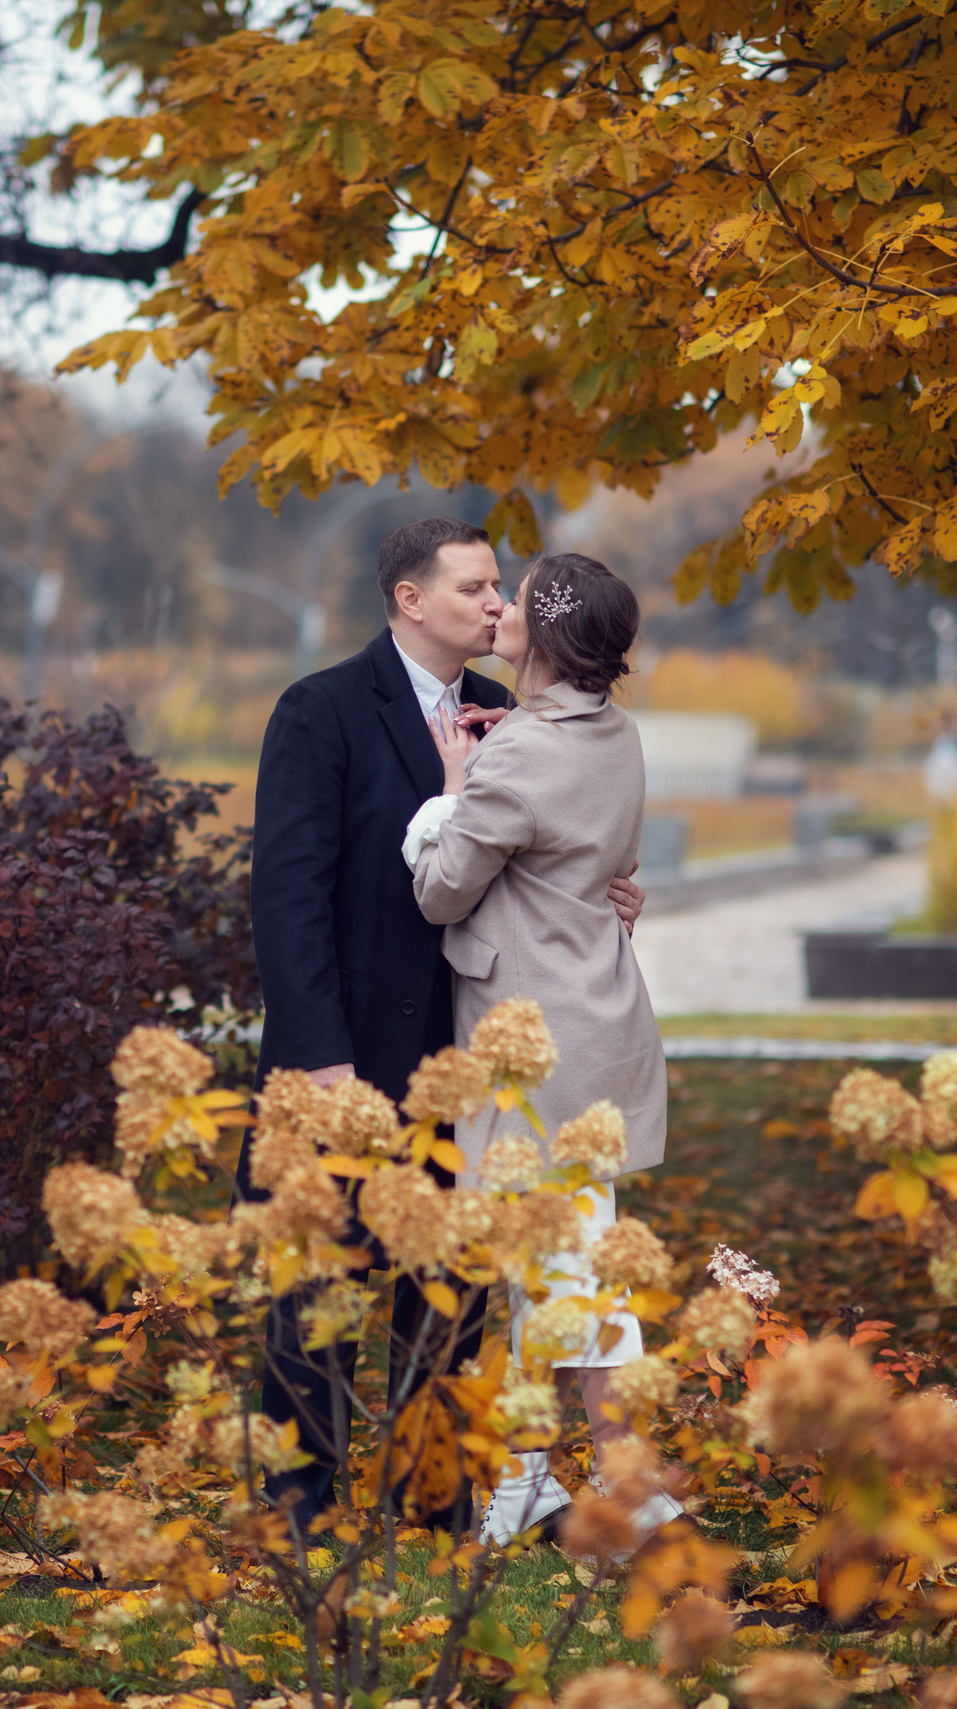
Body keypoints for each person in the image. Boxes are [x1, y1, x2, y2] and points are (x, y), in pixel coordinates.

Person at [248, 518, 644, 1532]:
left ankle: (431, 1494)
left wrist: (602, 895)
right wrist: (316, 1054)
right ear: (409, 599)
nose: (496, 603)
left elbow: (534, 864)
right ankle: (299, 1498)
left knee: (447, 1290)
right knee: (321, 1283)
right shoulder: (322, 709)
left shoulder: (505, 712)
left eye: (500, 586)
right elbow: (287, 898)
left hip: (464, 1057)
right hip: (347, 1049)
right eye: (473, 587)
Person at [403, 550, 676, 1549]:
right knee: (543, 1264)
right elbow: (606, 864)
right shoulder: (617, 735)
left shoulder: (514, 754)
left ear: (546, 634)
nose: (496, 608)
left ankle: (625, 1484)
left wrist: (451, 788)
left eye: (512, 599)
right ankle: (526, 1477)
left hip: (531, 1050)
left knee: (564, 1272)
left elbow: (439, 887)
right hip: (599, 1023)